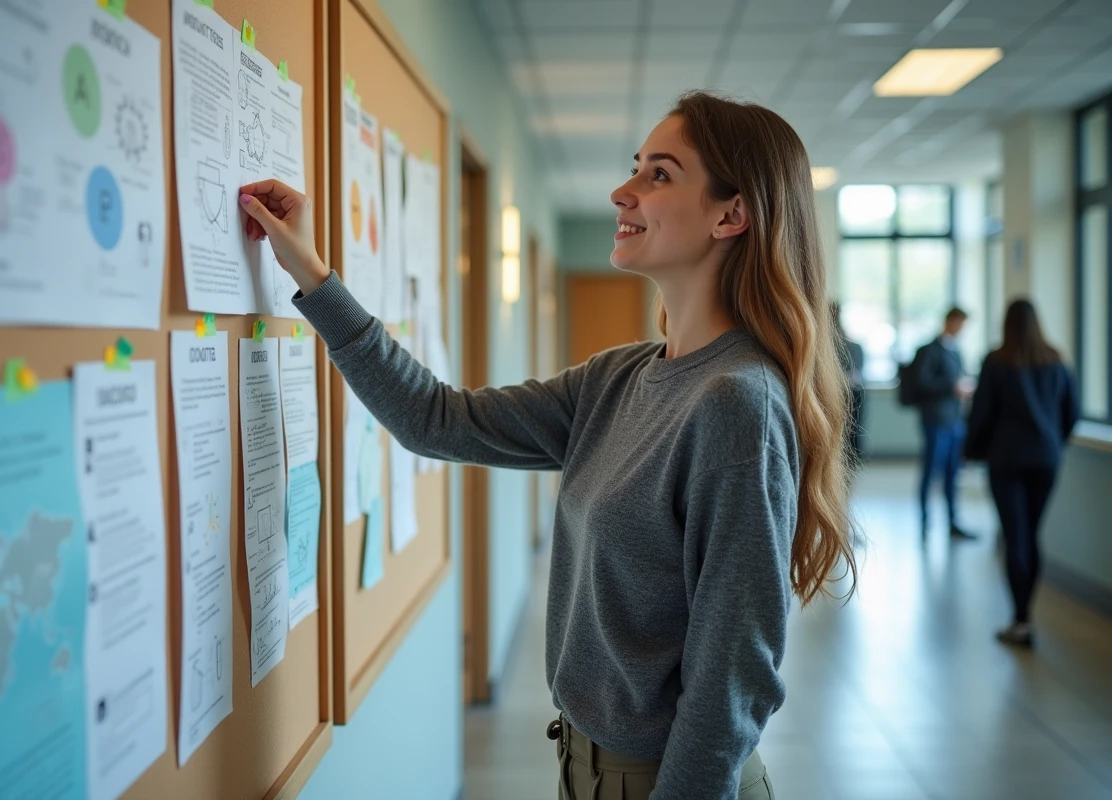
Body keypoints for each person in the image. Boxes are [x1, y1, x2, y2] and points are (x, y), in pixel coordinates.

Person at [236, 90, 857, 800]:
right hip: (581, 765)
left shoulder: (737, 404)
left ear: (731, 214)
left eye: (659, 174)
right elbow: (435, 419)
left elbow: (731, 681)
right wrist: (312, 274)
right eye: (635, 167)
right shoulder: (617, 378)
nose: (623, 191)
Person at [965, 299, 1077, 648]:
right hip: (1046, 460)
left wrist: (972, 450)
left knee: (1015, 537)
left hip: (1006, 461)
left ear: (1007, 325)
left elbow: (981, 414)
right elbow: (1071, 413)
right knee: (1031, 535)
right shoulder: (1057, 361)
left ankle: (1021, 619)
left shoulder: (996, 362)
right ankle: (1025, 616)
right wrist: (1053, 443)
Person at [912, 307, 976, 542]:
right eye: (960, 324)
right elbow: (921, 383)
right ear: (950, 321)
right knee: (931, 471)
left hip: (955, 420)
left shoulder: (955, 351)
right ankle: (924, 520)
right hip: (935, 419)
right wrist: (951, 387)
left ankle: (952, 521)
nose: (961, 329)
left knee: (952, 472)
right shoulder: (929, 350)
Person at [832, 302, 865, 465]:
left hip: (849, 392)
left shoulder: (849, 346)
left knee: (850, 433)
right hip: (844, 391)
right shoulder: (851, 346)